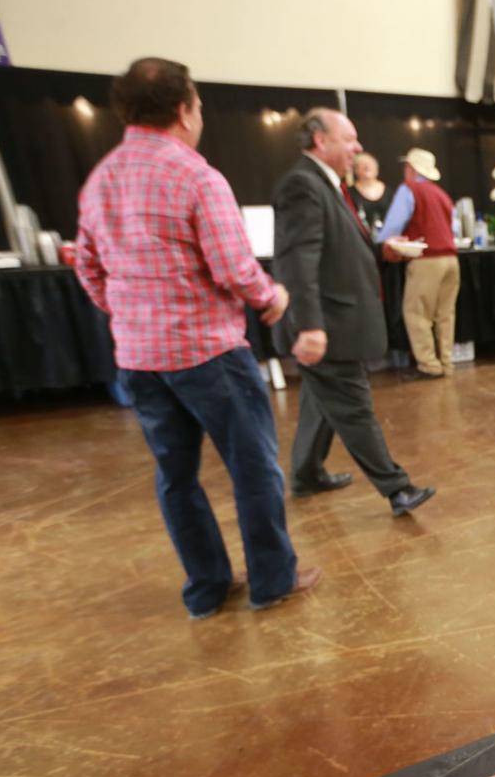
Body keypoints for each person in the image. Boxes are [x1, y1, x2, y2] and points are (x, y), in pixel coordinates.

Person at [75, 57, 318, 620]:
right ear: (184, 110)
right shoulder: (196, 176)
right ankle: (270, 581)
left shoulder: (101, 180)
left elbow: (86, 267)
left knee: (175, 477)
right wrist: (272, 298)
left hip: (139, 358)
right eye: (199, 106)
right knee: (253, 469)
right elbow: (233, 267)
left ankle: (206, 590)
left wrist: (131, 312)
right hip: (208, 354)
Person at [273, 110, 436, 517]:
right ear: (319, 141)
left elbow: (337, 251)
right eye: (349, 139)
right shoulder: (302, 185)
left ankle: (307, 474)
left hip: (334, 322)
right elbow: (299, 262)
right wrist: (309, 326)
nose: (358, 148)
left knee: (320, 399)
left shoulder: (326, 185)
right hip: (327, 324)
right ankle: (397, 489)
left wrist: (383, 250)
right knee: (353, 405)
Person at [377, 148, 460, 380]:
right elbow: (453, 229)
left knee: (417, 313)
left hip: (426, 260)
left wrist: (378, 245)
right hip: (451, 259)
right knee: (445, 314)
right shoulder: (442, 194)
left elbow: (393, 226)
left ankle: (429, 365)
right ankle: (446, 361)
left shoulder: (409, 190)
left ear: (411, 169)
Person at [349, 152, 391, 238]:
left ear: (377, 169)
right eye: (363, 164)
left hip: (387, 239)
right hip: (360, 239)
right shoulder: (349, 192)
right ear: (356, 170)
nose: (367, 166)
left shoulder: (389, 191)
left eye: (370, 164)